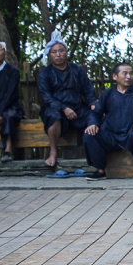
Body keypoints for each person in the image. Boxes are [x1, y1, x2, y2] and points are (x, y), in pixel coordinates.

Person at [83, 62, 133, 181]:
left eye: (131, 74)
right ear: (115, 76)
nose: (129, 76)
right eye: (125, 73)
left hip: (131, 133)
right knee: (89, 135)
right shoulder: (108, 94)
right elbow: (96, 113)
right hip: (111, 134)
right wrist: (93, 124)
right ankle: (100, 170)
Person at [39, 30, 97, 169]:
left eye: (61, 51)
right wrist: (63, 108)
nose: (58, 54)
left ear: (66, 52)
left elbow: (88, 89)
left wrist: (93, 104)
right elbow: (46, 96)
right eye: (54, 52)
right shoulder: (45, 74)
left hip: (77, 109)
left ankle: (94, 154)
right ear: (49, 54)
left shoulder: (77, 70)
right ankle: (53, 152)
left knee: (94, 117)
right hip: (56, 109)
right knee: (53, 116)